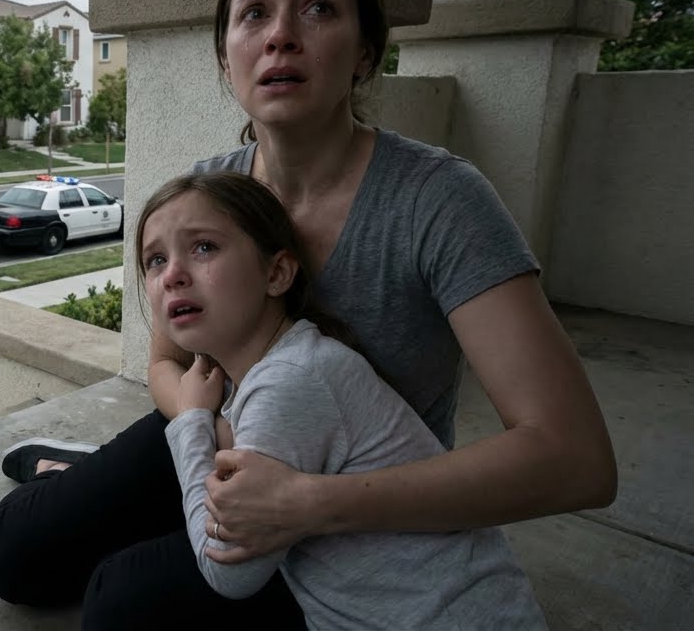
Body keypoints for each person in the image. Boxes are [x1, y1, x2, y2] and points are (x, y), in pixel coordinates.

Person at [0, 0, 616, 628]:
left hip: (360, 503)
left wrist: (306, 501)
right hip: (221, 440)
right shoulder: (208, 193)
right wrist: (205, 440)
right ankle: (72, 474)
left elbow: (573, 458)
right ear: (226, 58)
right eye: (253, 13)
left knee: (120, 604)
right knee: (9, 556)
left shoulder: (438, 201)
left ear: (365, 53)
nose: (280, 34)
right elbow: (166, 363)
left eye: (318, 7)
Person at [139, 171, 544, 628]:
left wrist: (192, 418)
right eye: (154, 260)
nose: (172, 275)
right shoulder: (289, 363)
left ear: (276, 273)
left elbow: (225, 569)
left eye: (204, 247)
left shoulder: (289, 384)